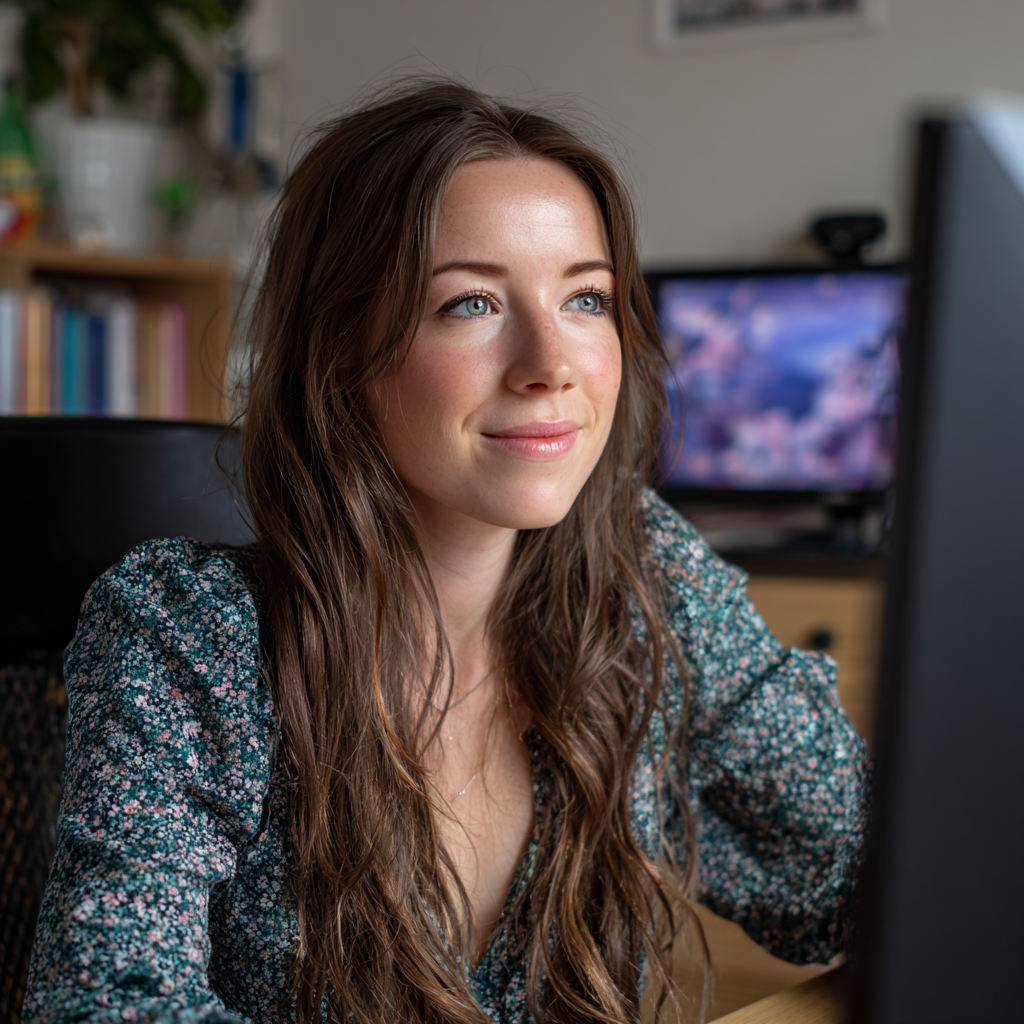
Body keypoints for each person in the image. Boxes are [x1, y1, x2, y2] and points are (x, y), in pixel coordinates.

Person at [24, 81, 869, 1024]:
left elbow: (861, 872)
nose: (550, 361)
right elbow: (106, 1005)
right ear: (342, 351)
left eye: (586, 297)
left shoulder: (642, 583)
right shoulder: (191, 631)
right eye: (471, 303)